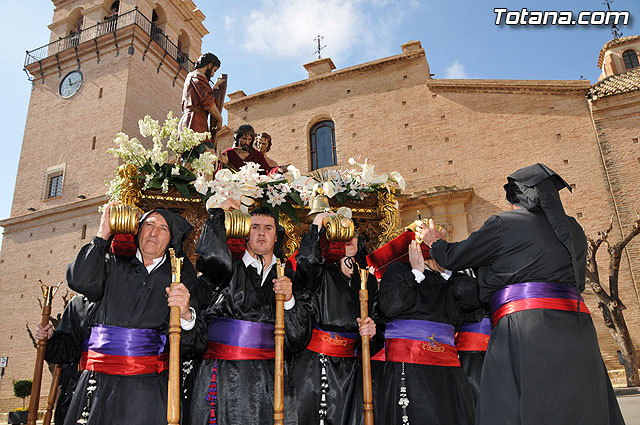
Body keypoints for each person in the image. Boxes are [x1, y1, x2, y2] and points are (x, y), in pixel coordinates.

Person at [420, 163, 625, 425]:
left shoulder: (505, 223)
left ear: (518, 197)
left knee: (514, 404)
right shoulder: (573, 228)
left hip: (526, 326)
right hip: (578, 326)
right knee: (580, 402)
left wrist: (434, 241)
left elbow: (455, 257)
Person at [63, 203, 203, 425]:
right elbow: (79, 281)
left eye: (163, 228)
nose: (154, 232)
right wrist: (103, 234)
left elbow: (195, 344)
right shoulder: (112, 262)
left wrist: (186, 314)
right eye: (149, 224)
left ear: (171, 239)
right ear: (138, 230)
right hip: (98, 384)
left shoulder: (179, 278)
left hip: (147, 389)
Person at [189, 200, 308, 425]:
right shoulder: (226, 271)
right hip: (224, 375)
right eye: (255, 227)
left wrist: (290, 300)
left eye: (268, 228)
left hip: (270, 379)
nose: (261, 233)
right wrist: (218, 215)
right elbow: (210, 257)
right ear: (245, 232)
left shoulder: (290, 277)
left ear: (277, 236)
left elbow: (298, 339)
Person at [375, 240, 479, 425]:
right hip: (411, 366)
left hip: (448, 369)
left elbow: (475, 305)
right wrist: (416, 273)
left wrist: (448, 275)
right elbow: (389, 306)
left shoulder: (450, 280)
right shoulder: (400, 271)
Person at [291, 212, 379, 425]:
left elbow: (379, 319)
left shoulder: (367, 279)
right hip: (316, 366)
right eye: (343, 233)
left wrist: (373, 330)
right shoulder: (321, 272)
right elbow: (306, 262)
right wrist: (316, 226)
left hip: (352, 368)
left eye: (353, 234)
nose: (349, 238)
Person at [35, 295, 92, 425]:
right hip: (83, 389)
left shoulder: (143, 298)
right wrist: (50, 338)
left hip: (134, 387)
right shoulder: (79, 304)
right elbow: (66, 351)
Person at [177, 53, 224, 144]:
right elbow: (208, 102)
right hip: (195, 122)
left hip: (191, 121)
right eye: (214, 70)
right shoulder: (198, 77)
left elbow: (202, 95)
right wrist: (219, 119)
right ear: (209, 65)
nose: (213, 74)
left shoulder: (193, 77)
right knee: (207, 153)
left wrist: (214, 88)